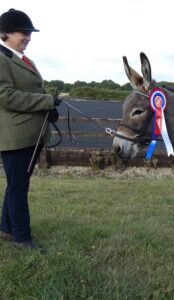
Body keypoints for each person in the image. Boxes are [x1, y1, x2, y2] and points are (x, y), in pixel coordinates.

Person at [0, 8, 61, 252]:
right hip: (15, 137)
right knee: (18, 187)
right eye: (22, 33)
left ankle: (6, 228)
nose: (28, 37)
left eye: (29, 33)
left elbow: (33, 90)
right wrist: (46, 102)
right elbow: (5, 96)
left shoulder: (22, 59)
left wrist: (49, 107)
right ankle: (22, 238)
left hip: (30, 135)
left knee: (17, 183)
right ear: (5, 33)